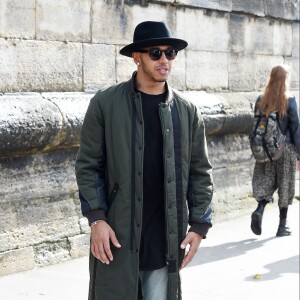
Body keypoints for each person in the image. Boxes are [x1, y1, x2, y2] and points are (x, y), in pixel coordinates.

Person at [75, 21, 213, 300]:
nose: (164, 59)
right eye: (155, 53)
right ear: (137, 57)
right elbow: (88, 165)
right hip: (117, 238)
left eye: (170, 53)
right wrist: (96, 220)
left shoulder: (187, 112)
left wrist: (199, 226)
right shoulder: (105, 103)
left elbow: (200, 173)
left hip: (165, 242)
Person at [250, 64, 300, 237]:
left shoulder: (261, 100)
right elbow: (296, 130)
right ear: (285, 79)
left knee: (267, 182)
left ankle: (260, 209)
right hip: (286, 150)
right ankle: (282, 227)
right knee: (285, 186)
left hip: (267, 150)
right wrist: (299, 156)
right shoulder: (290, 100)